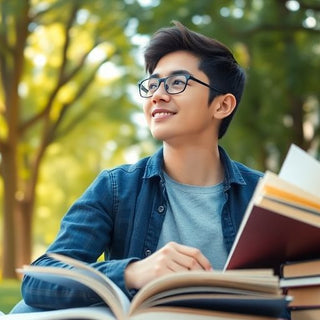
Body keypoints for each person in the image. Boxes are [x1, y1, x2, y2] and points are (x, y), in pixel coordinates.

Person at [11, 21, 262, 313]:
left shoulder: (263, 195)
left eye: (177, 83)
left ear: (222, 106)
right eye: (153, 84)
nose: (157, 94)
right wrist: (133, 273)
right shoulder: (116, 188)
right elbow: (40, 279)